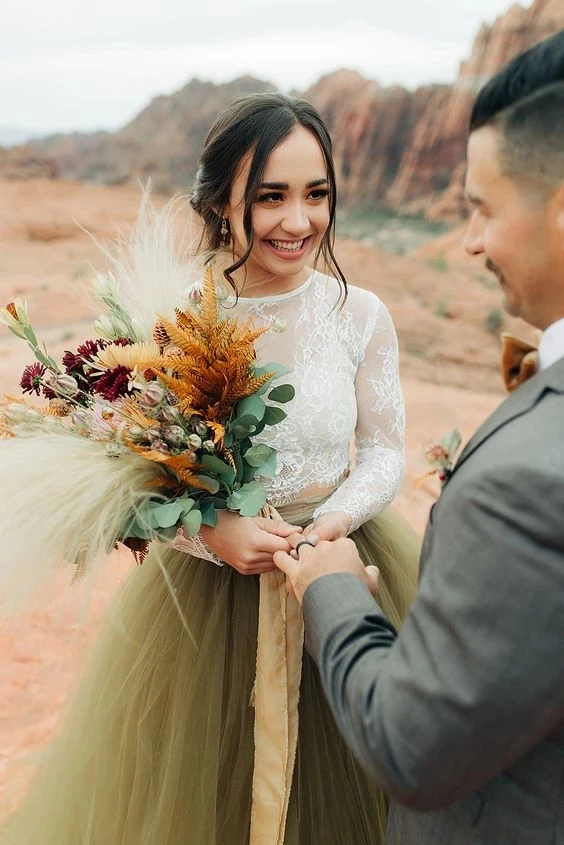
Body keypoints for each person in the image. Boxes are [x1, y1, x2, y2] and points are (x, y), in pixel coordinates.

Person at [0, 93, 419, 845]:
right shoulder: (177, 319)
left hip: (336, 575)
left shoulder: (361, 316)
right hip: (204, 608)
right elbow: (134, 474)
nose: (299, 220)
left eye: (316, 194)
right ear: (224, 202)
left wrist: (335, 521)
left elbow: (387, 448)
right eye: (271, 197)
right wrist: (214, 533)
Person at [274, 30, 564, 845]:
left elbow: (413, 744)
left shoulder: (529, 480)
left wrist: (333, 582)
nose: (469, 241)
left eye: (481, 208)